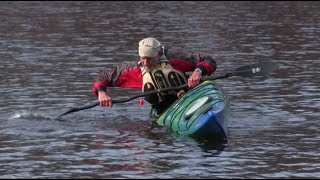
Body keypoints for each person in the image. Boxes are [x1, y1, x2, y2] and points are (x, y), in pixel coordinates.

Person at [92, 37, 217, 118]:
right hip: (163, 111)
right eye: (143, 58)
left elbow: (208, 60)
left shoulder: (174, 57)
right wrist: (101, 93)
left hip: (190, 97)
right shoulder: (132, 69)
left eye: (150, 59)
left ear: (160, 54)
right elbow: (102, 77)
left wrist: (198, 71)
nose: (145, 63)